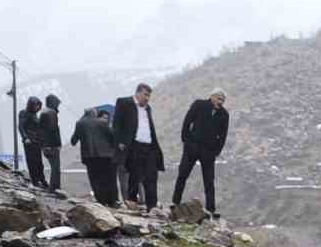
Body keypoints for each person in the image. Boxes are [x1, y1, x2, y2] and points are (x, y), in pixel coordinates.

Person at [173, 90, 229, 217]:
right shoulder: (199, 105)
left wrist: (216, 152)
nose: (220, 102)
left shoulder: (224, 114)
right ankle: (175, 202)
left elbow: (223, 135)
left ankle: (211, 210)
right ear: (212, 97)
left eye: (223, 100)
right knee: (182, 174)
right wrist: (186, 141)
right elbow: (187, 122)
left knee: (209, 181)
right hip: (192, 147)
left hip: (208, 152)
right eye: (219, 99)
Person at [112, 83, 163, 214]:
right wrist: (119, 142)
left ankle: (152, 206)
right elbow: (116, 125)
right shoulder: (124, 103)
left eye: (149, 96)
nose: (147, 98)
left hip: (149, 146)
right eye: (145, 95)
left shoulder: (147, 108)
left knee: (152, 174)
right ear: (138, 93)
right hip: (134, 145)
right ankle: (132, 201)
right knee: (135, 174)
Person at [71, 106, 119, 205]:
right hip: (106, 156)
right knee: (108, 178)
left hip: (89, 156)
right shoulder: (102, 122)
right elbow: (113, 137)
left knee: (95, 179)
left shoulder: (80, 123)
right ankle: (112, 201)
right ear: (94, 114)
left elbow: (73, 141)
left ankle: (101, 200)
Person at [17, 95, 45, 188]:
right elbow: (21, 126)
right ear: (31, 105)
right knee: (32, 162)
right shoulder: (23, 113)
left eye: (38, 105)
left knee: (39, 162)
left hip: (37, 142)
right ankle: (35, 181)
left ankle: (42, 180)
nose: (37, 107)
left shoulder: (34, 115)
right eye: (35, 105)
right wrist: (25, 138)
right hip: (29, 142)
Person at [38, 94, 63, 194]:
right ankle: (54, 188)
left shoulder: (43, 112)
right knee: (56, 168)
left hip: (45, 145)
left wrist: (44, 145)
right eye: (57, 103)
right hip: (51, 146)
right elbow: (53, 130)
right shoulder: (51, 113)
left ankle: (54, 187)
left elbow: (42, 131)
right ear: (53, 103)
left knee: (54, 167)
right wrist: (58, 144)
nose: (58, 106)